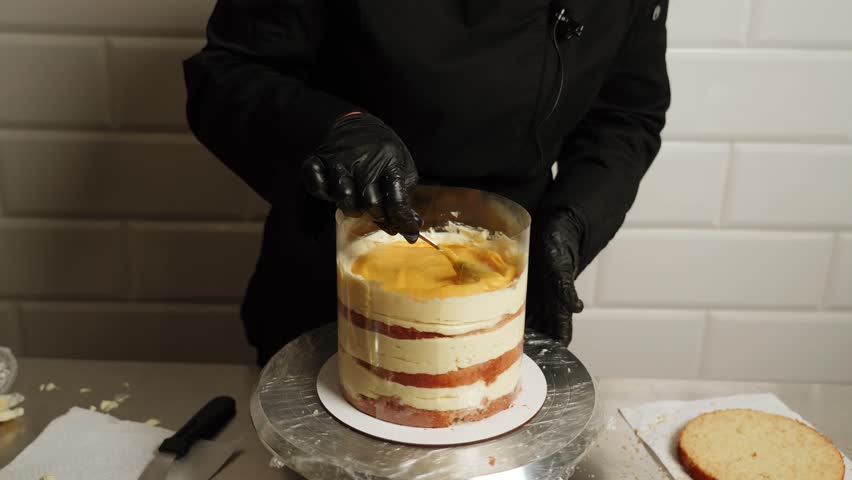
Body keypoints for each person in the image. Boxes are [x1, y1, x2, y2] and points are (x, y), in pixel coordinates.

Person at [183, 0, 671, 366]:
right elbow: (227, 73)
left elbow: (625, 115)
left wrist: (573, 218)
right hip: (328, 270)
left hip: (508, 281)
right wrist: (332, 127)